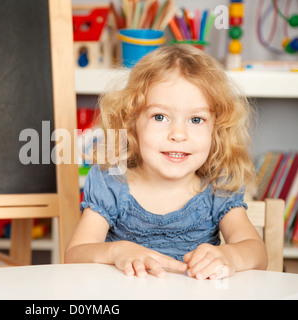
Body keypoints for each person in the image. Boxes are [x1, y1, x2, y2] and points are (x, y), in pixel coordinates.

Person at [65, 45, 267, 280]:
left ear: (216, 129)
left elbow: (257, 253)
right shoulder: (111, 182)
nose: (178, 134)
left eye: (196, 119)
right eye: (160, 117)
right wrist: (117, 250)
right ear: (131, 124)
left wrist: (230, 256)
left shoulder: (218, 186)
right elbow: (74, 255)